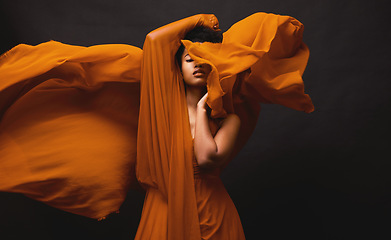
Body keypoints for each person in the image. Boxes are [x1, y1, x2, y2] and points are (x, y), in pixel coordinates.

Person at [0, 13, 314, 239]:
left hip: (212, 213)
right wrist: (197, 21)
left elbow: (207, 158)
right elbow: (154, 41)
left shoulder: (229, 116)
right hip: (162, 210)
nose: (195, 63)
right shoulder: (161, 104)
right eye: (188, 57)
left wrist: (204, 107)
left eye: (203, 58)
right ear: (176, 67)